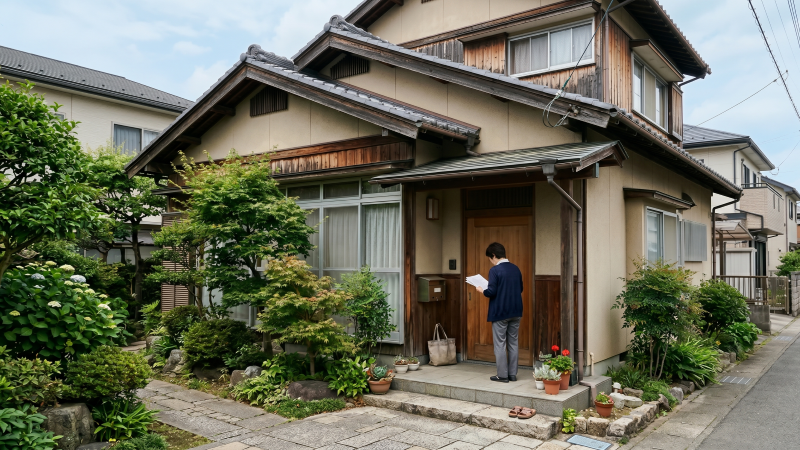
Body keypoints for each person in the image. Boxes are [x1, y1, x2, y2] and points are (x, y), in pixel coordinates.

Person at [475, 242, 523, 383]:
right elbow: (520, 288)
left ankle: (502, 375)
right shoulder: (516, 268)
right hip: (516, 310)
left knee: (500, 344)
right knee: (513, 342)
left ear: (494, 255)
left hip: (500, 312)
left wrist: (482, 290)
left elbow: (491, 291)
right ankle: (512, 374)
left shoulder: (495, 270)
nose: (491, 261)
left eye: (490, 258)